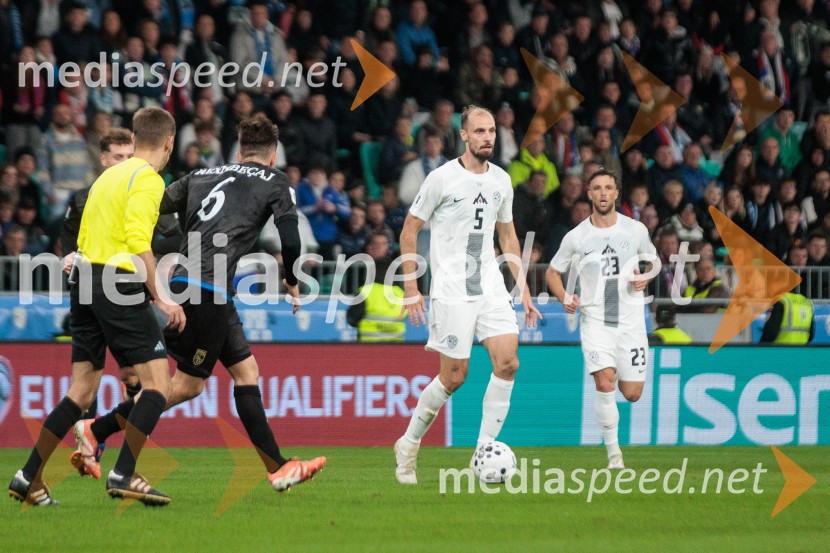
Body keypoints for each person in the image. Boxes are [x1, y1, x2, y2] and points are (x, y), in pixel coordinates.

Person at [71, 118, 326, 493]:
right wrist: (291, 279)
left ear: (238, 152)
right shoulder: (275, 181)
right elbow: (290, 240)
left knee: (246, 371)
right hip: (207, 290)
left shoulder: (203, 174)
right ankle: (99, 433)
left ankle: (279, 467)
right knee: (183, 386)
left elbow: (152, 208)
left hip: (191, 283)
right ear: (272, 156)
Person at [8, 106, 185, 507]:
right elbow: (139, 239)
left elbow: (86, 236)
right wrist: (161, 295)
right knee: (158, 384)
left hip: (85, 280)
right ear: (169, 143)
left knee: (82, 390)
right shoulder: (148, 179)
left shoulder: (107, 178)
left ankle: (28, 476)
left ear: (136, 138)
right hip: (118, 282)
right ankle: (123, 473)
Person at [393, 105, 541, 485]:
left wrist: (522, 288)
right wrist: (412, 288)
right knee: (454, 377)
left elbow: (506, 236)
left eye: (491, 130)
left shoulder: (502, 181)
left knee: (508, 363)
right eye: (479, 131)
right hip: (451, 288)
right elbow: (409, 231)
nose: (487, 137)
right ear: (463, 135)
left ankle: (484, 449)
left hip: (489, 284)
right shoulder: (442, 178)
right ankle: (408, 444)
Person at [546, 169, 656, 469]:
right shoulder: (577, 236)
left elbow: (654, 261)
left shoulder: (634, 230)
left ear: (617, 193)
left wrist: (644, 275)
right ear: (589, 193)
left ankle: (618, 375)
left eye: (609, 188)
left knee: (632, 393)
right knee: (605, 384)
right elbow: (552, 273)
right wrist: (565, 297)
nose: (603, 193)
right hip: (595, 322)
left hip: (631, 324)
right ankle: (614, 456)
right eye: (597, 188)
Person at [60, 127, 141, 425]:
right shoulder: (82, 199)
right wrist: (66, 258)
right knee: (86, 384)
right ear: (104, 159)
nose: (125, 162)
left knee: (133, 374)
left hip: (129, 291)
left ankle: (121, 444)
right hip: (91, 291)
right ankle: (90, 448)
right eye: (118, 156)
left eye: (130, 156)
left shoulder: (142, 195)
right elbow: (68, 247)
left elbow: (162, 241)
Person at [347, 233, 406, 342]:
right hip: (397, 348)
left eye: (383, 244)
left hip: (369, 347)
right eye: (377, 243)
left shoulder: (366, 292)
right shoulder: (400, 293)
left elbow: (352, 318)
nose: (380, 247)